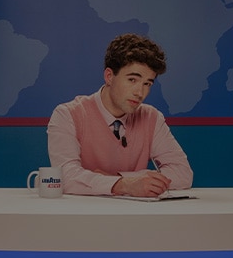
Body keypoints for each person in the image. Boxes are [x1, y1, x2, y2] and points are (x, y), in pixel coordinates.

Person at [47, 34, 193, 197]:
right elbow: (65, 176)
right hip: (83, 211)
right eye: (132, 80)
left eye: (147, 83)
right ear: (109, 76)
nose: (140, 92)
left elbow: (183, 173)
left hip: (134, 212)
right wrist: (124, 185)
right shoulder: (67, 115)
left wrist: (122, 180)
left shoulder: (152, 117)